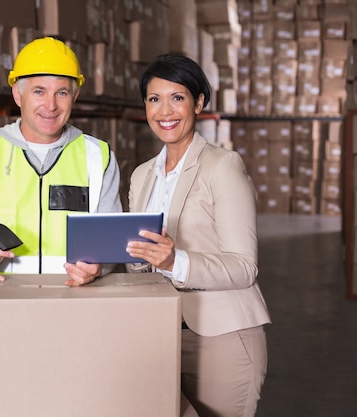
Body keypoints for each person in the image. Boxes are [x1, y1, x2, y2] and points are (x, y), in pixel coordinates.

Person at [0, 36, 123, 383]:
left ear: (75, 96)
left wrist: (98, 267)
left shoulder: (99, 157)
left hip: (75, 328)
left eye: (61, 92)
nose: (50, 105)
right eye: (38, 91)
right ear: (17, 94)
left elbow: (110, 253)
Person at [125, 54, 271, 417]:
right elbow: (140, 265)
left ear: (199, 102)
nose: (165, 111)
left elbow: (244, 266)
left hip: (220, 337)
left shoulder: (223, 167)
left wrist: (177, 260)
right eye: (154, 99)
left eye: (177, 97)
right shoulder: (142, 176)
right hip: (158, 334)